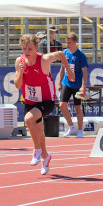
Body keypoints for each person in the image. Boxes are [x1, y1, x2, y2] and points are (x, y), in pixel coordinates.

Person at [14, 34, 75, 175]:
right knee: (39, 133)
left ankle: (37, 150)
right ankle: (45, 157)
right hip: (30, 101)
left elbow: (60, 54)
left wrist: (68, 70)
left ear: (36, 48)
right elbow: (17, 85)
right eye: (24, 49)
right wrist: (21, 71)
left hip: (46, 100)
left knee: (28, 120)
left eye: (29, 49)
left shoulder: (44, 60)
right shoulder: (20, 61)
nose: (26, 52)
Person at [58, 32, 88, 138]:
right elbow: (62, 68)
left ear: (75, 42)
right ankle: (71, 126)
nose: (68, 44)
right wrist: (59, 82)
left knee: (78, 108)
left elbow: (84, 71)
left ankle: (80, 130)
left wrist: (83, 86)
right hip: (66, 83)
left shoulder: (81, 55)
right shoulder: (65, 52)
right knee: (62, 105)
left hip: (77, 85)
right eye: (66, 42)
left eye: (69, 42)